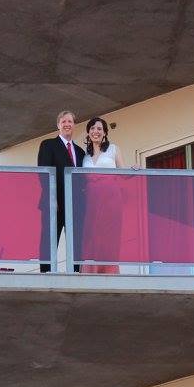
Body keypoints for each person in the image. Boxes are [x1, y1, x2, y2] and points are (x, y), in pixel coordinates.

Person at [36, 110, 86, 272]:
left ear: (74, 125)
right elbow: (44, 172)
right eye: (63, 121)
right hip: (54, 202)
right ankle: (47, 272)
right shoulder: (48, 145)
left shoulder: (80, 151)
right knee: (49, 239)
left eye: (70, 121)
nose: (67, 124)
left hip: (75, 204)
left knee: (76, 240)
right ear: (58, 125)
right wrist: (52, 198)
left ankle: (76, 271)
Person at [79, 117, 125, 274]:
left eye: (99, 129)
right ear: (88, 132)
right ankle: (92, 270)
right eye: (92, 128)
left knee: (109, 233)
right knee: (91, 232)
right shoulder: (84, 154)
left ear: (105, 132)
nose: (95, 131)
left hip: (111, 198)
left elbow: (123, 173)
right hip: (91, 199)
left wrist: (135, 169)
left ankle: (108, 270)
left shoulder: (113, 149)